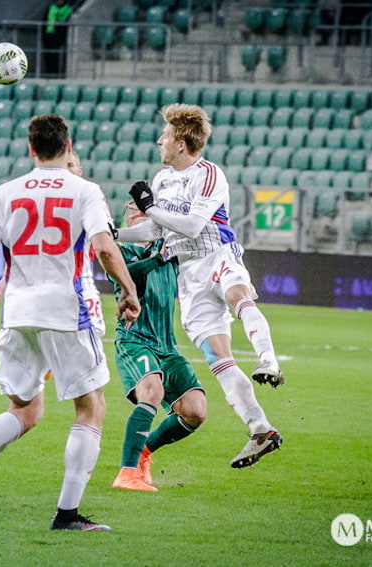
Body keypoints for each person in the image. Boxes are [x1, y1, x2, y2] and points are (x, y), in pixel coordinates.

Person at [0, 114, 140, 531]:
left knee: (25, 410)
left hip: (17, 313)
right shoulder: (84, 190)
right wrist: (127, 289)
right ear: (68, 146)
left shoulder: (6, 192)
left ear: (31, 149)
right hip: (67, 311)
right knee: (91, 407)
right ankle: (67, 514)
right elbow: (103, 246)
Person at [116, 103, 283, 469]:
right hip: (188, 277)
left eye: (165, 135)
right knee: (218, 359)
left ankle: (269, 361)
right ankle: (260, 430)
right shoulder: (160, 180)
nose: (159, 140)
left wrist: (150, 207)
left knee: (238, 296)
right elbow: (155, 231)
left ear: (180, 143)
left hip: (217, 254)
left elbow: (192, 225)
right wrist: (114, 233)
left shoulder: (209, 173)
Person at [111, 202, 206, 492]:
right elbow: (130, 275)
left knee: (195, 410)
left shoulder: (170, 247)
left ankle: (144, 452)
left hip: (166, 344)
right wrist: (157, 258)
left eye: (141, 207)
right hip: (134, 338)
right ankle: (126, 474)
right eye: (131, 208)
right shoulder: (117, 248)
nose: (135, 209)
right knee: (152, 390)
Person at [0, 151, 107, 339]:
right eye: (64, 166)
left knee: (83, 348)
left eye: (71, 166)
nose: (67, 171)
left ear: (79, 171)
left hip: (80, 286)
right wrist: (8, 275)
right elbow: (25, 243)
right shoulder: (44, 200)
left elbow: (105, 242)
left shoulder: (90, 198)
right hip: (42, 291)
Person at [43, 0, 72, 77]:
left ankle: (56, 74)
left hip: (59, 37)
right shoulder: (51, 8)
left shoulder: (67, 9)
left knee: (56, 57)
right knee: (48, 56)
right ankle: (49, 73)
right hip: (49, 36)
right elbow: (45, 21)